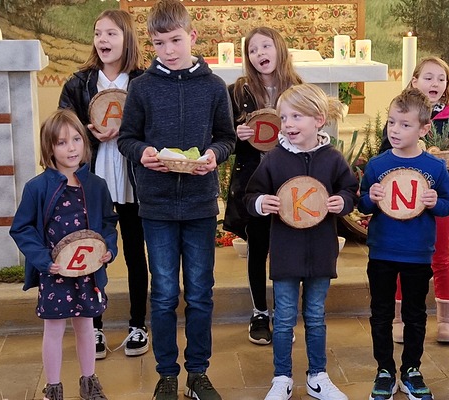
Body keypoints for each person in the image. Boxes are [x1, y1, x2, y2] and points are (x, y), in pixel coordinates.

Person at [115, 0, 236, 398]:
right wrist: (143, 153)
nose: (168, 50)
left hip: (200, 204)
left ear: (192, 36)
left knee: (200, 293)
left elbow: (227, 137)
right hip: (157, 206)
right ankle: (167, 374)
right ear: (151, 42)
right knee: (165, 293)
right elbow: (127, 138)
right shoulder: (142, 87)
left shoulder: (213, 87)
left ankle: (198, 373)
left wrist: (213, 155)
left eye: (176, 40)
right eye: (159, 43)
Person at [244, 83, 357, 400]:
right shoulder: (274, 159)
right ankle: (281, 377)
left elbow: (350, 190)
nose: (288, 124)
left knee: (316, 316)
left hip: (321, 250)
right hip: (286, 252)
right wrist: (261, 202)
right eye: (284, 117)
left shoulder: (332, 159)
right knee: (283, 319)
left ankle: (317, 376)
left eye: (297, 116)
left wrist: (343, 201)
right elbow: (251, 195)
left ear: (319, 120)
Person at [58, 9, 150, 360]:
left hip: (132, 179)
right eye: (98, 33)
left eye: (111, 33)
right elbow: (62, 126)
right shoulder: (79, 83)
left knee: (135, 253)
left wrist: (129, 131)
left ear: (127, 38)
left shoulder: (144, 81)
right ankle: (94, 326)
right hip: (92, 180)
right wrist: (85, 133)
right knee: (92, 251)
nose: (103, 40)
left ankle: (138, 324)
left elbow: (157, 125)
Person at [9, 109, 119, 400]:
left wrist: (108, 248)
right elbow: (22, 228)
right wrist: (44, 260)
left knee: (86, 326)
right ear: (49, 148)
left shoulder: (96, 185)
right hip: (55, 273)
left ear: (85, 141)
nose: (71, 148)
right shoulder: (37, 187)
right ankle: (53, 388)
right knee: (54, 329)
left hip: (88, 273)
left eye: (76, 139)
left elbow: (108, 223)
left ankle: (89, 384)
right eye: (61, 142)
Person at [359, 88, 449, 400]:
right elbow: (363, 203)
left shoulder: (435, 167)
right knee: (381, 312)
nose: (395, 130)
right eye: (391, 122)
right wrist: (370, 199)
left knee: (415, 314)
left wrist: (435, 202)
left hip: (417, 253)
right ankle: (384, 370)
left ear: (424, 129)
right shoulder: (377, 164)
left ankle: (412, 368)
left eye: (404, 124)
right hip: (382, 250)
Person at [378, 57, 449, 345]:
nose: (435, 83)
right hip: (403, 195)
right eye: (428, 77)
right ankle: (399, 318)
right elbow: (385, 152)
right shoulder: (400, 115)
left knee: (440, 255)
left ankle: (445, 319)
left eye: (441, 78)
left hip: (438, 196)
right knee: (402, 255)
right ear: (414, 81)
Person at [223, 26, 303, 345]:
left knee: (287, 248)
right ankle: (259, 312)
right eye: (253, 50)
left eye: (265, 46)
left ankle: (284, 313)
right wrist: (237, 134)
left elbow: (310, 131)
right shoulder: (238, 91)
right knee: (257, 246)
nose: (260, 54)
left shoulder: (297, 88)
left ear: (279, 48)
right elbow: (223, 137)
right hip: (254, 182)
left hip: (290, 180)